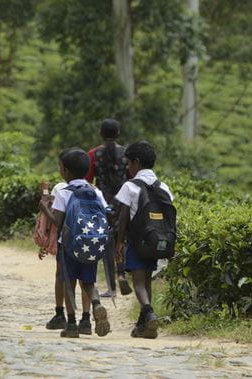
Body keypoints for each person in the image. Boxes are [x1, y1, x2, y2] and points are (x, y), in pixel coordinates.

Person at [39, 148, 111, 339]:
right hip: (92, 243)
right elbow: (106, 215)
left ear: (66, 171)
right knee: (88, 282)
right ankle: (92, 311)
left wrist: (44, 208)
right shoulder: (96, 191)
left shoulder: (64, 192)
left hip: (68, 246)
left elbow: (57, 222)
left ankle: (71, 325)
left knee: (69, 283)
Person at [113, 140, 174, 339]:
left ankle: (149, 313)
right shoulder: (163, 186)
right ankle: (143, 326)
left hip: (137, 242)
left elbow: (123, 217)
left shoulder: (130, 186)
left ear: (137, 162)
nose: (128, 168)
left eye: (128, 163)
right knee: (147, 280)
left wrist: (119, 242)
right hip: (157, 241)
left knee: (138, 283)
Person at [87, 118, 127, 297]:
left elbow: (87, 180)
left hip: (102, 205)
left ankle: (112, 288)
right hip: (123, 203)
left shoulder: (94, 154)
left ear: (100, 133)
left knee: (107, 244)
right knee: (121, 240)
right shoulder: (126, 154)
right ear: (118, 134)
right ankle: (122, 274)